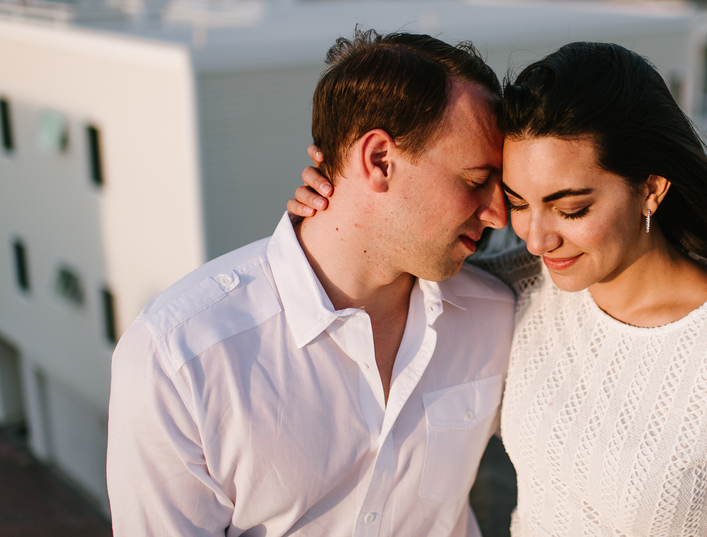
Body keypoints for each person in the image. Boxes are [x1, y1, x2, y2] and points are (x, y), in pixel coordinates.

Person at [292, 42, 707, 536]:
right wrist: (344, 202)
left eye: (571, 208)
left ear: (652, 189)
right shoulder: (517, 291)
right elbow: (396, 256)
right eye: (520, 202)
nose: (536, 238)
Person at [107, 30, 516, 536]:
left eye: (506, 188)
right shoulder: (180, 359)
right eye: (476, 181)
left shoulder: (501, 313)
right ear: (379, 161)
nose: (500, 214)